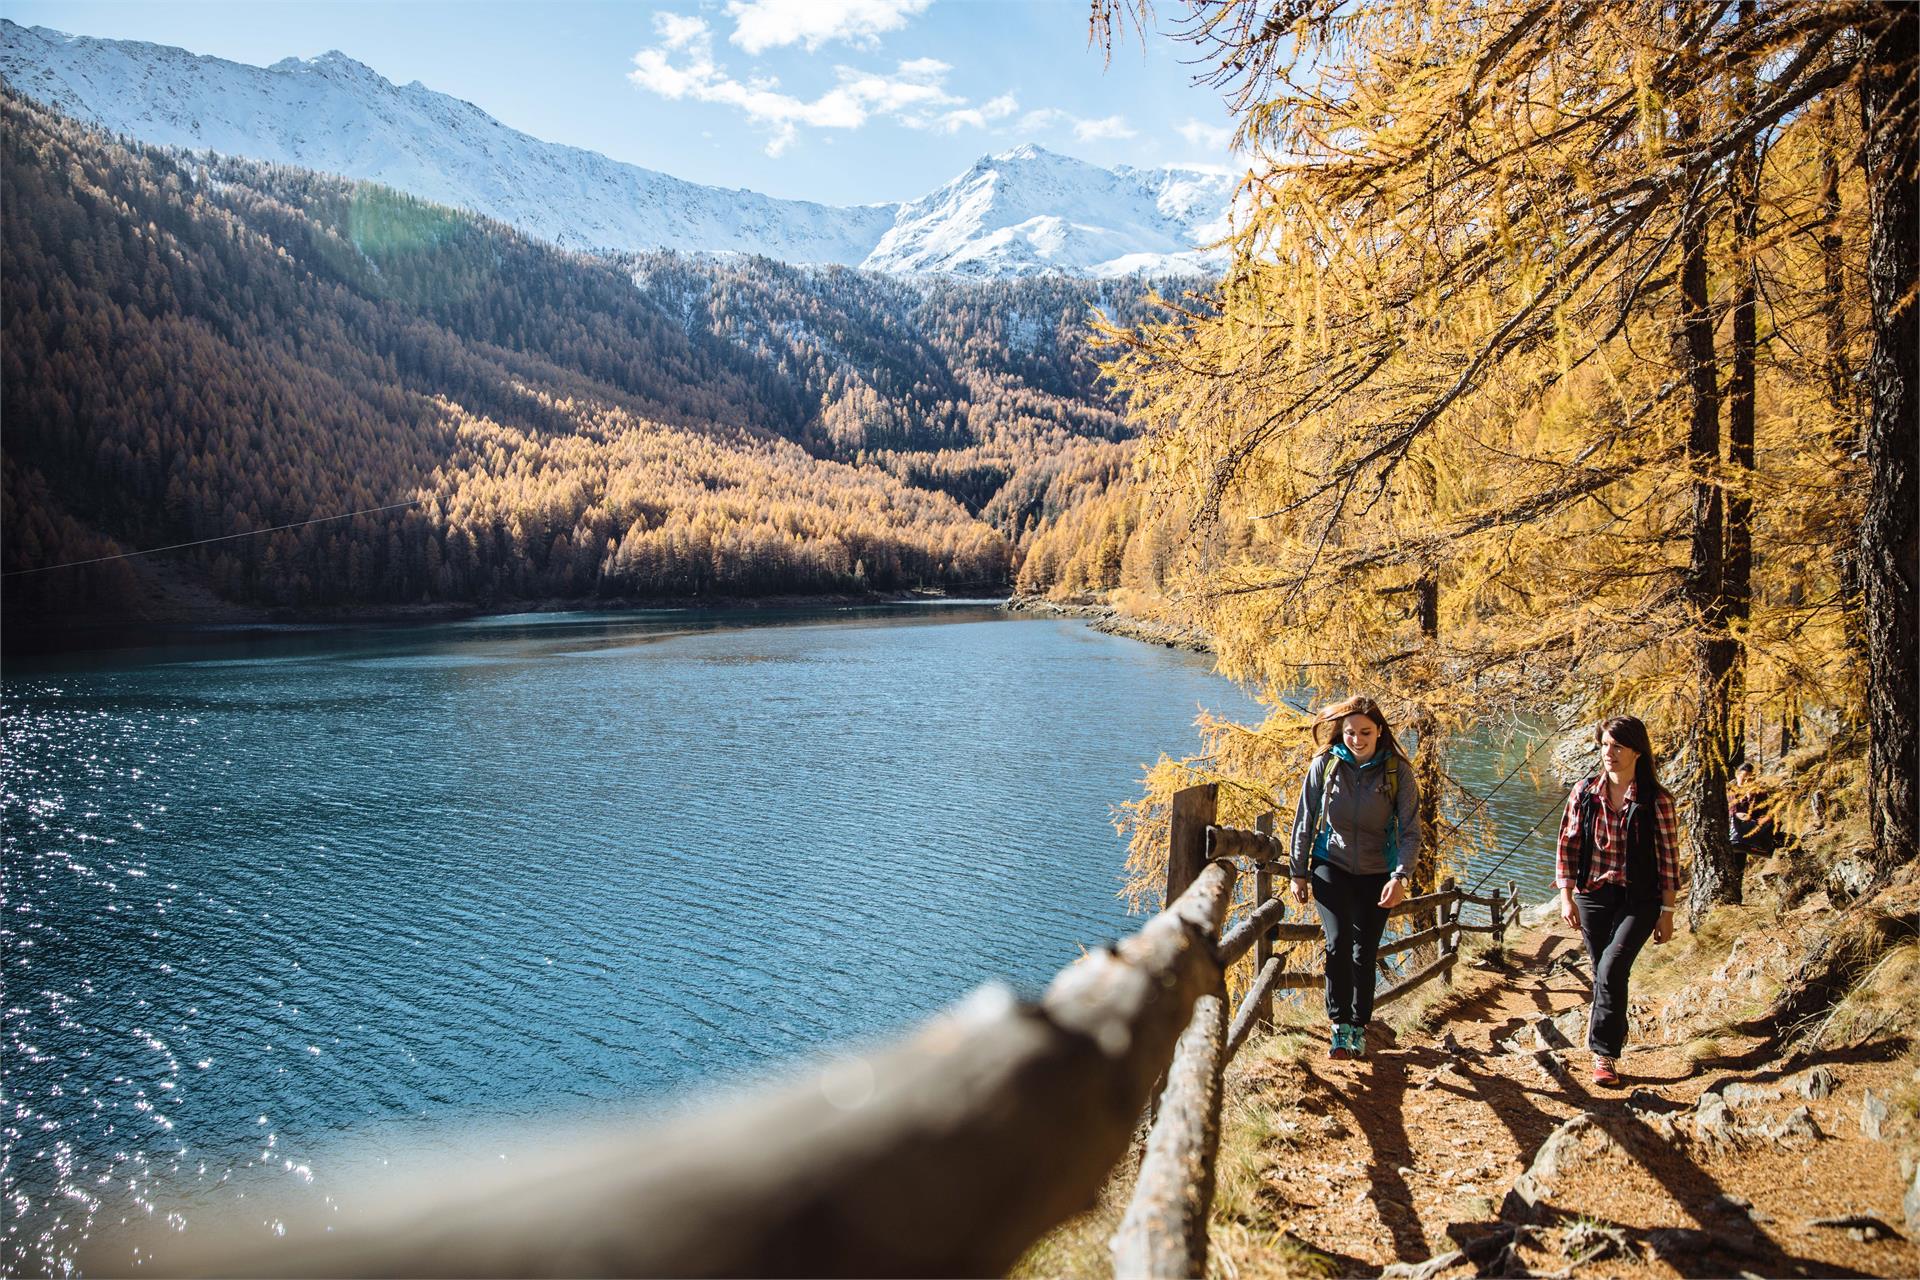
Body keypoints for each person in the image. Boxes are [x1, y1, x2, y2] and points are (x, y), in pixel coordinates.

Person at [1289, 695, 1421, 1061]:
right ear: (1340, 732)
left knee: (1365, 952)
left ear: (1379, 731)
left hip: (1379, 873)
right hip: (1331, 865)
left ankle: (1360, 1026)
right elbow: (1305, 817)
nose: (1358, 739)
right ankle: (1339, 1025)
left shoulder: (1397, 772)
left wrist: (1401, 877)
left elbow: (1410, 831)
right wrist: (1297, 872)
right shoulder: (1326, 765)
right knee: (1338, 943)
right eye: (1350, 732)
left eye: (1365, 731)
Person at [1554, 715, 1681, 1088]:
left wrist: (1667, 911)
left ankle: (1603, 1055)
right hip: (1592, 894)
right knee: (1605, 972)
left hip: (1638, 900)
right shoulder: (1584, 792)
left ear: (1637, 751)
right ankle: (1611, 1039)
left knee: (1611, 968)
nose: (1609, 753)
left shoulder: (1656, 800)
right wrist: (1566, 897)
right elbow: (1567, 844)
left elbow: (1668, 859)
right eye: (1605, 745)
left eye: (1618, 746)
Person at [1728, 763, 1778, 861]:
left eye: (1750, 779)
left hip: (1751, 830)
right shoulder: (1728, 792)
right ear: (1737, 775)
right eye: (1744, 778)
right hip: (1733, 831)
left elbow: (1766, 812)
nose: (1747, 781)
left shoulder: (1759, 793)